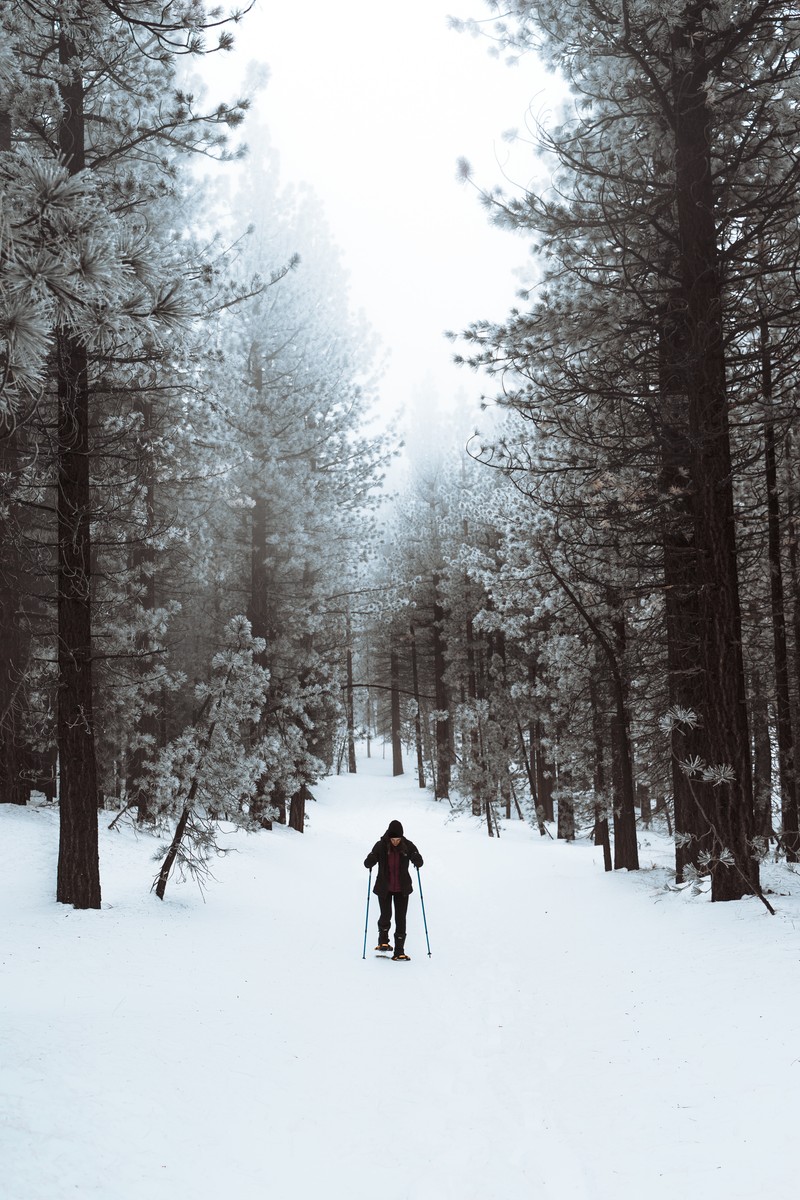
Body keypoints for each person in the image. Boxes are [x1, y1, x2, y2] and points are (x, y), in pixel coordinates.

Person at [364, 819, 423, 961]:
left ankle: (399, 951)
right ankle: (383, 941)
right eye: (393, 839)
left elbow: (419, 859)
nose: (395, 841)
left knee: (401, 919)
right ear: (389, 836)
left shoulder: (407, 845)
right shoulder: (381, 846)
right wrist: (371, 860)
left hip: (402, 889)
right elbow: (368, 862)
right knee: (386, 914)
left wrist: (416, 858)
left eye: (398, 839)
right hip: (384, 887)